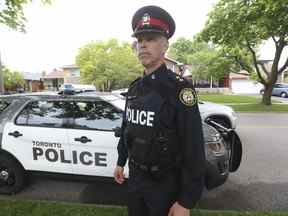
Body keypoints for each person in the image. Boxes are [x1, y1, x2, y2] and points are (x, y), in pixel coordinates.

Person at [114, 5, 206, 216]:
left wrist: (186, 200)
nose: (143, 45)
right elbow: (129, 129)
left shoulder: (179, 89)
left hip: (164, 185)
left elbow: (194, 146)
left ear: (165, 46)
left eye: (151, 39)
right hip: (135, 179)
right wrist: (121, 161)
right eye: (140, 40)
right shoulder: (135, 88)